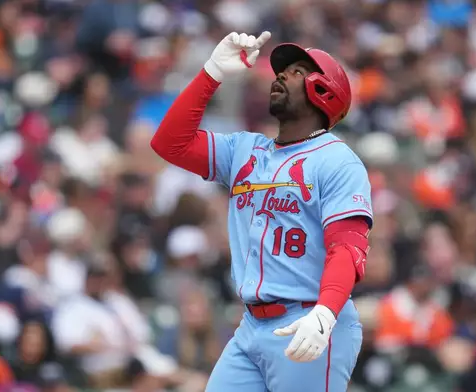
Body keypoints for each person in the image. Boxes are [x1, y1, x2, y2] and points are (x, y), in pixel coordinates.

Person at [151, 31, 373, 391]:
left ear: (324, 90)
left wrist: (325, 313)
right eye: (282, 70)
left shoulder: (338, 159)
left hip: (307, 319)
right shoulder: (244, 150)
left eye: (297, 71)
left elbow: (347, 247)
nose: (281, 75)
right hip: (250, 325)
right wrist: (211, 74)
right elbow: (169, 143)